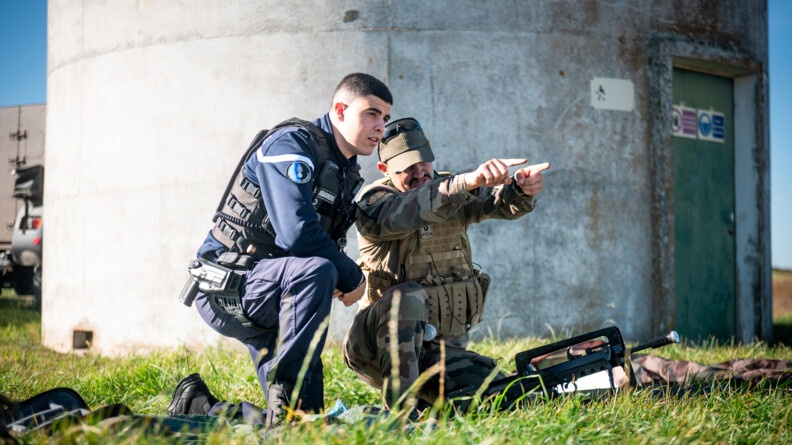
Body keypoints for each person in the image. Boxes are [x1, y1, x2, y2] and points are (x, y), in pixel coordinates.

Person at [168, 73, 392, 426]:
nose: (380, 126)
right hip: (228, 286)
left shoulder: (346, 170)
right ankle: (285, 400)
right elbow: (297, 234)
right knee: (318, 270)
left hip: (275, 288)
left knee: (300, 422)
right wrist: (352, 276)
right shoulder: (293, 143)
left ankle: (198, 406)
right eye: (372, 114)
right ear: (339, 109)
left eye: (385, 119)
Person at [343, 117, 550, 410]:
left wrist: (522, 190)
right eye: (406, 168)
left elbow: (498, 202)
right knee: (408, 296)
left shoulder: (452, 189)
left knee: (504, 397)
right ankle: (401, 415)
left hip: (439, 350)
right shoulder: (374, 203)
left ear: (430, 153)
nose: (419, 174)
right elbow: (416, 207)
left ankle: (426, 406)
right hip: (375, 350)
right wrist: (468, 181)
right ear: (384, 170)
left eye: (423, 163)